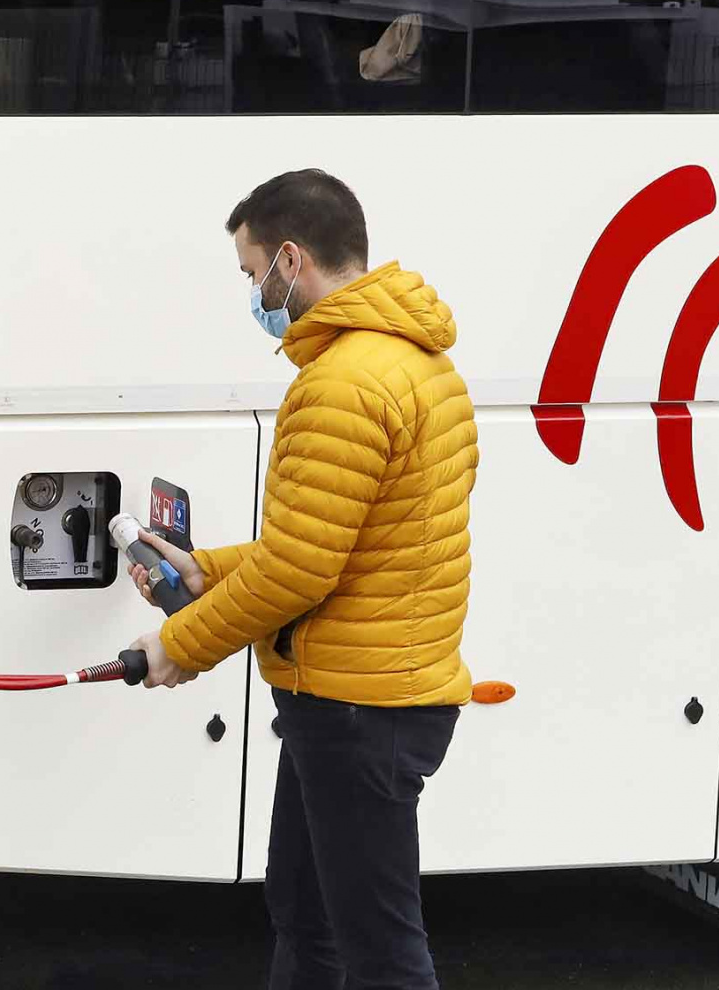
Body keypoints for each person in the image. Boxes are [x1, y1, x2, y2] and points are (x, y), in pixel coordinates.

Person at [128, 168, 478, 990]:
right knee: (307, 910)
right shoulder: (417, 365)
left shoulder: (341, 384)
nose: (255, 294)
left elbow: (299, 568)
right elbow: (341, 547)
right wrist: (205, 570)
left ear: (293, 260)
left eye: (254, 275)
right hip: (367, 698)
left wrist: (181, 643)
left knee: (379, 950)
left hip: (359, 709)